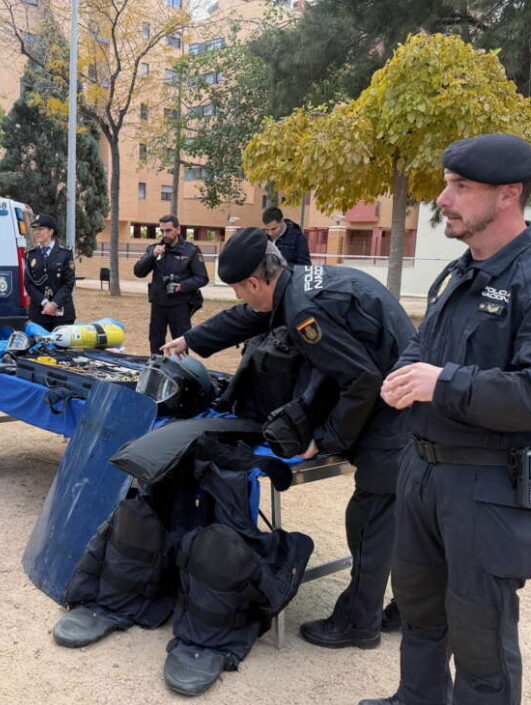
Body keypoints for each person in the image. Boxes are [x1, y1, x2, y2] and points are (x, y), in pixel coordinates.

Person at [358, 134, 531, 705]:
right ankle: (420, 699)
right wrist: (405, 372)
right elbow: (424, 345)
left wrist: (445, 384)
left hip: (486, 484)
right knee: (416, 598)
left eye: (460, 188)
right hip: (424, 470)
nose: (443, 200)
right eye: (447, 185)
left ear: (508, 194)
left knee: (482, 634)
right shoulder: (462, 272)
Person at [162, 227, 415, 650]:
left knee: (372, 515)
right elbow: (252, 316)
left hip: (394, 408)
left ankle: (360, 622)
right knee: (393, 515)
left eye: (242, 291)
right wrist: (193, 340)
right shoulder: (296, 282)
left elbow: (361, 380)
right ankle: (407, 608)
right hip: (393, 391)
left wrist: (327, 438)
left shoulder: (303, 310)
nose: (244, 300)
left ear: (256, 282)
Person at [134, 214, 208, 354]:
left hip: (180, 306)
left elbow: (202, 278)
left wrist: (182, 286)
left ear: (178, 229)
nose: (164, 234)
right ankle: (156, 372)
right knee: (155, 342)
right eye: (162, 231)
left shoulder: (191, 250)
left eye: (168, 230)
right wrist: (152, 256)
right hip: (158, 304)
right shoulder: (155, 249)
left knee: (181, 346)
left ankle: (181, 373)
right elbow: (138, 272)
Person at [24, 213, 76, 331]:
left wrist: (54, 304)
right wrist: (45, 303)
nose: (37, 232)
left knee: (61, 348)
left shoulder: (65, 253)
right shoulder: (30, 255)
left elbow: (68, 283)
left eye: (41, 229)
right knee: (38, 348)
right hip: (39, 313)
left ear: (51, 231)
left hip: (62, 314)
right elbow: (28, 284)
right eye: (35, 229)